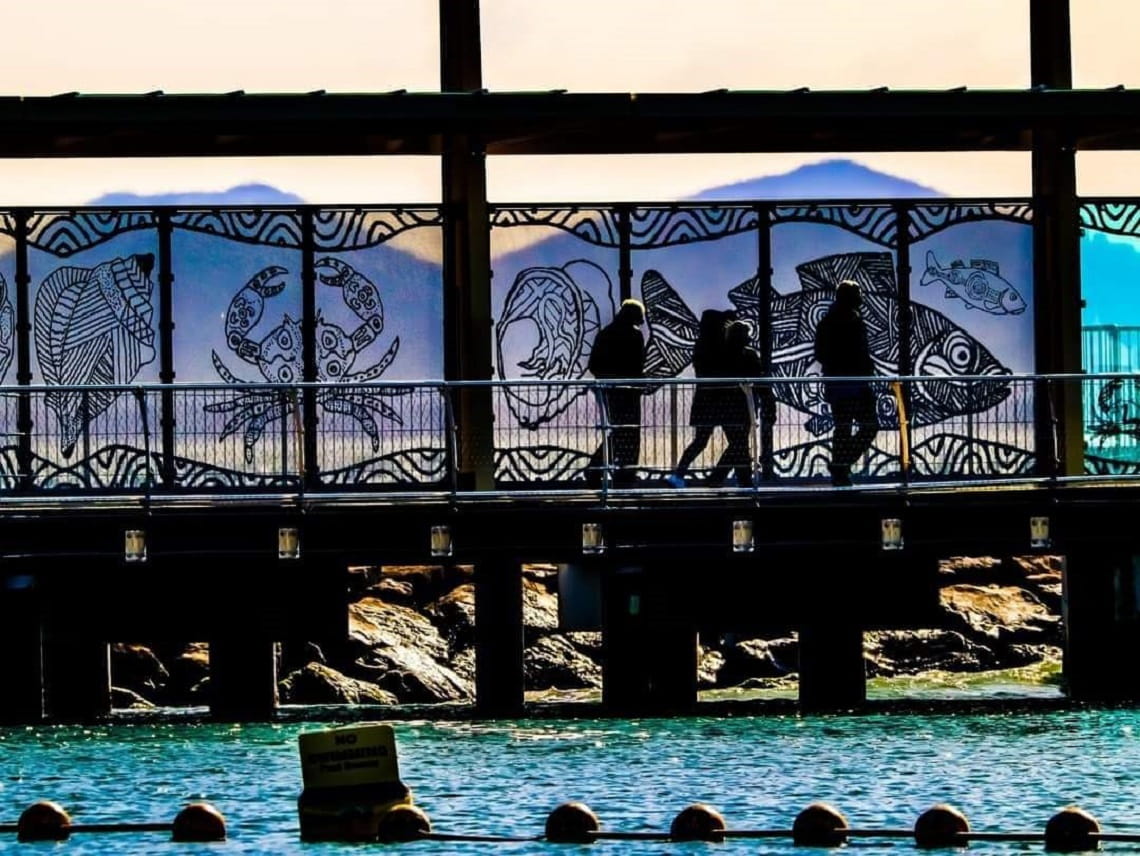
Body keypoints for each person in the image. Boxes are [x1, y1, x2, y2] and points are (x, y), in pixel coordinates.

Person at [813, 279, 879, 487]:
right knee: (866, 426)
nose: (860, 299)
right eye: (857, 294)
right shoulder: (849, 322)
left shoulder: (829, 322)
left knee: (844, 428)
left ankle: (840, 466)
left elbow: (820, 353)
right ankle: (840, 466)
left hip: (841, 385)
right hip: (853, 384)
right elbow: (824, 353)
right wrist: (861, 366)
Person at [666, 309, 732, 487]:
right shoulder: (720, 344)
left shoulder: (702, 344)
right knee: (736, 442)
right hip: (723, 400)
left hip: (705, 399)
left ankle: (679, 474)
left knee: (701, 440)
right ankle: (718, 477)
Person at [585, 299, 646, 487]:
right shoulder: (635, 336)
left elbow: (593, 365)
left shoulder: (605, 334)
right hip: (630, 391)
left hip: (610, 391)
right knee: (631, 433)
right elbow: (638, 365)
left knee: (618, 431)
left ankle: (597, 468)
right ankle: (625, 474)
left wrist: (608, 379)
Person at [710, 319, 775, 487]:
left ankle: (735, 478)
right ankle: (726, 477)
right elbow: (759, 379)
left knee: (738, 443)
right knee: (739, 443)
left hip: (726, 406)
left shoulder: (720, 355)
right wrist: (768, 401)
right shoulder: (749, 355)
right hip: (745, 405)